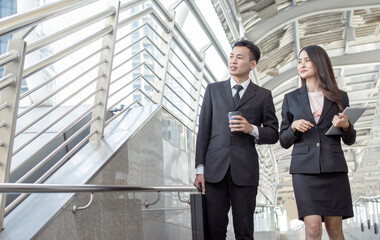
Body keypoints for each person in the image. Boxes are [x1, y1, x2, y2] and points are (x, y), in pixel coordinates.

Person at [193, 40, 279, 240]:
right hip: (214, 171)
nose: (233, 61)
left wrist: (252, 129)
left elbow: (274, 133)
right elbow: (203, 131)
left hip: (245, 171)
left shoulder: (263, 96)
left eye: (240, 57)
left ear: (252, 64)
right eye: (231, 56)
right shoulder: (213, 90)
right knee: (213, 230)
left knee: (244, 231)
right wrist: (200, 170)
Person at [279, 45, 356, 240]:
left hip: (333, 169)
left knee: (335, 229)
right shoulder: (291, 99)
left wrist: (346, 126)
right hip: (304, 171)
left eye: (307, 60)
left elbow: (350, 139)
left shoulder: (339, 97)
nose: (301, 65)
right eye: (299, 61)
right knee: (312, 228)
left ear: (319, 63)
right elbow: (284, 140)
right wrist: (294, 127)